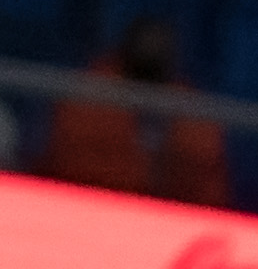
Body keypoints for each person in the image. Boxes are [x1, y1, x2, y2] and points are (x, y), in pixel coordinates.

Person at [43, 18, 230, 208]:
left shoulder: (190, 109)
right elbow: (70, 167)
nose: (151, 49)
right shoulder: (90, 94)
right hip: (91, 204)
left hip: (169, 215)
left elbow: (207, 182)